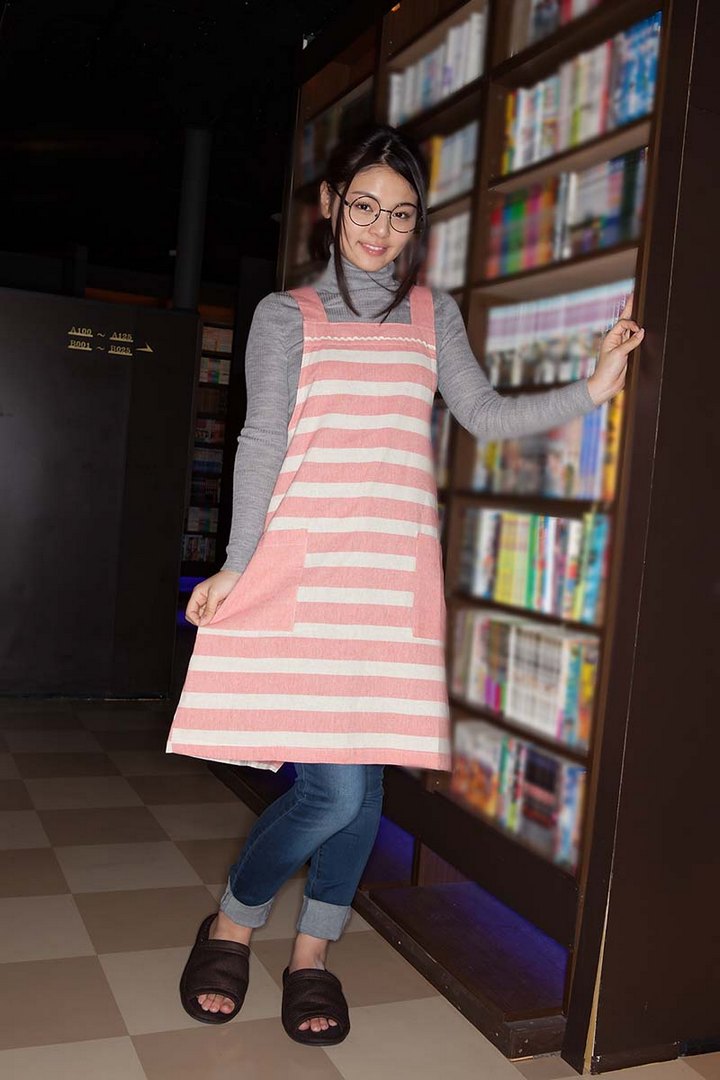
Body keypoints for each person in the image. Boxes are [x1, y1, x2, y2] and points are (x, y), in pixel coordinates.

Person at [168, 123, 644, 1046]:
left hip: (394, 579)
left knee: (364, 779)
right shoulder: (285, 315)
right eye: (363, 207)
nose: (380, 229)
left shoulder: (433, 314)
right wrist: (235, 562)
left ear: (417, 222)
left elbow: (483, 414)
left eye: (400, 214)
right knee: (335, 794)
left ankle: (313, 955)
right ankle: (231, 921)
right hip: (306, 574)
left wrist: (593, 388)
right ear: (329, 206)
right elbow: (261, 443)